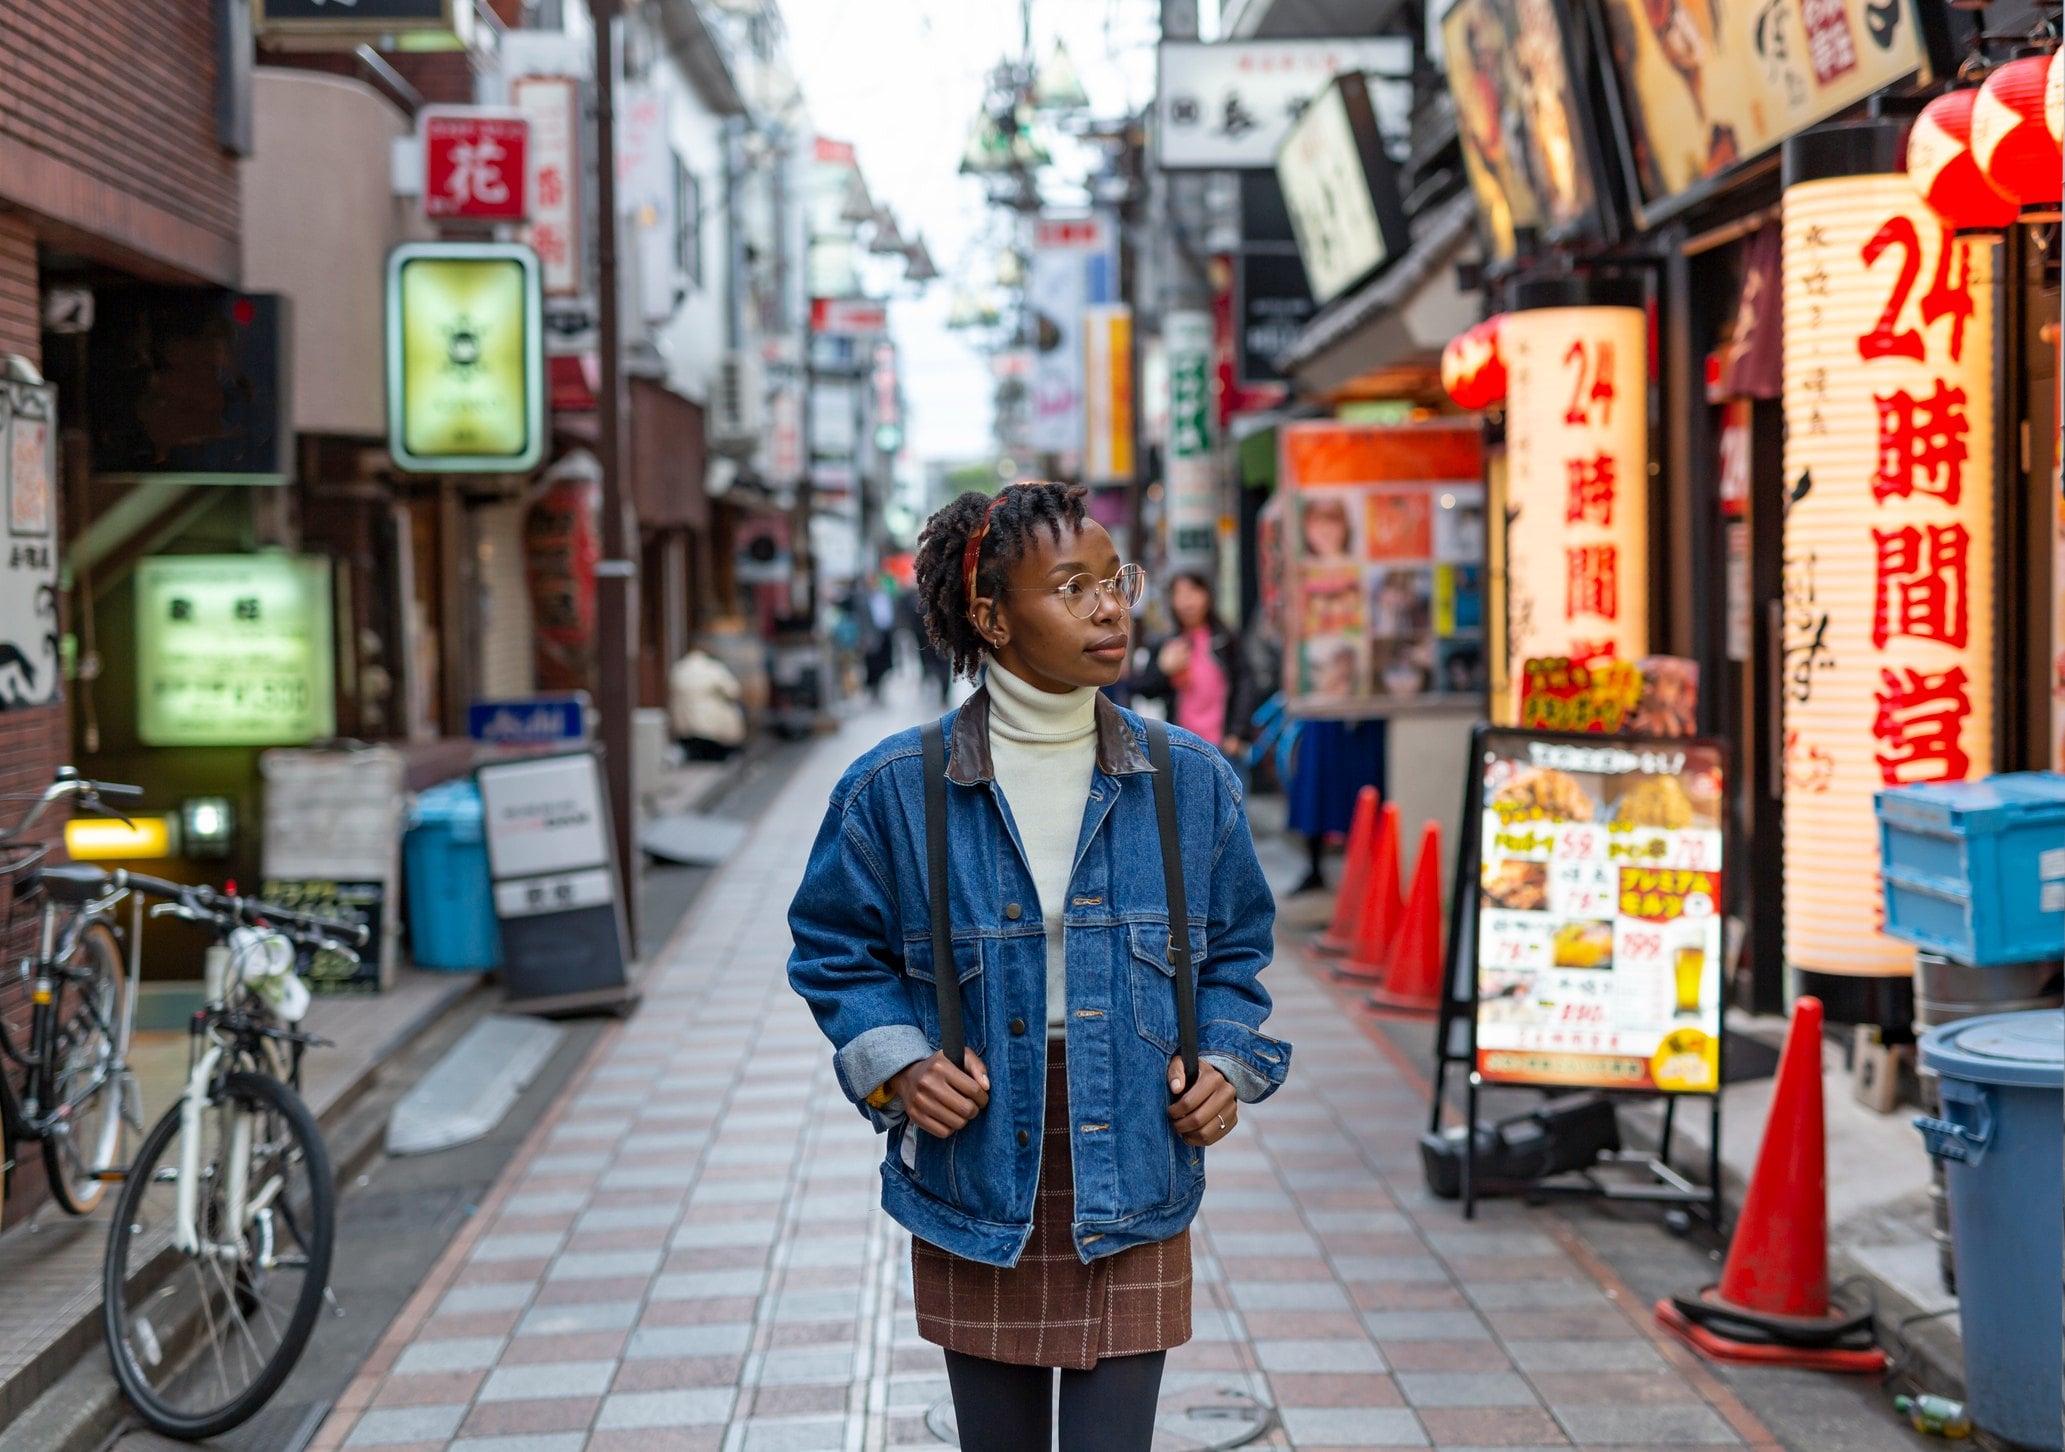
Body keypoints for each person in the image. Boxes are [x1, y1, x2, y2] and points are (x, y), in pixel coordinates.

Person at [787, 482, 1292, 1452]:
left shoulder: (1187, 779)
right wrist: (895, 1061)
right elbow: (832, 948)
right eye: (1071, 587)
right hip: (976, 1163)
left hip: (1137, 1151)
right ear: (990, 616)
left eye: (1116, 581)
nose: (1111, 608)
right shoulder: (900, 786)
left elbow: (1235, 948)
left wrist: (1225, 1061)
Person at [1131, 571, 1251, 758]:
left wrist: (1237, 732)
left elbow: (1245, 684)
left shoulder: (1225, 640)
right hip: (1180, 746)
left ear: (1207, 596)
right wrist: (1164, 670)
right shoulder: (1167, 643)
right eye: (1178, 594)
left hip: (1223, 746)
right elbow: (1143, 688)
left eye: (1193, 592)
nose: (1186, 602)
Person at [666, 646, 747, 760]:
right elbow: (733, 691)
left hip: (683, 723)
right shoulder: (713, 668)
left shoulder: (678, 668)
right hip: (711, 723)